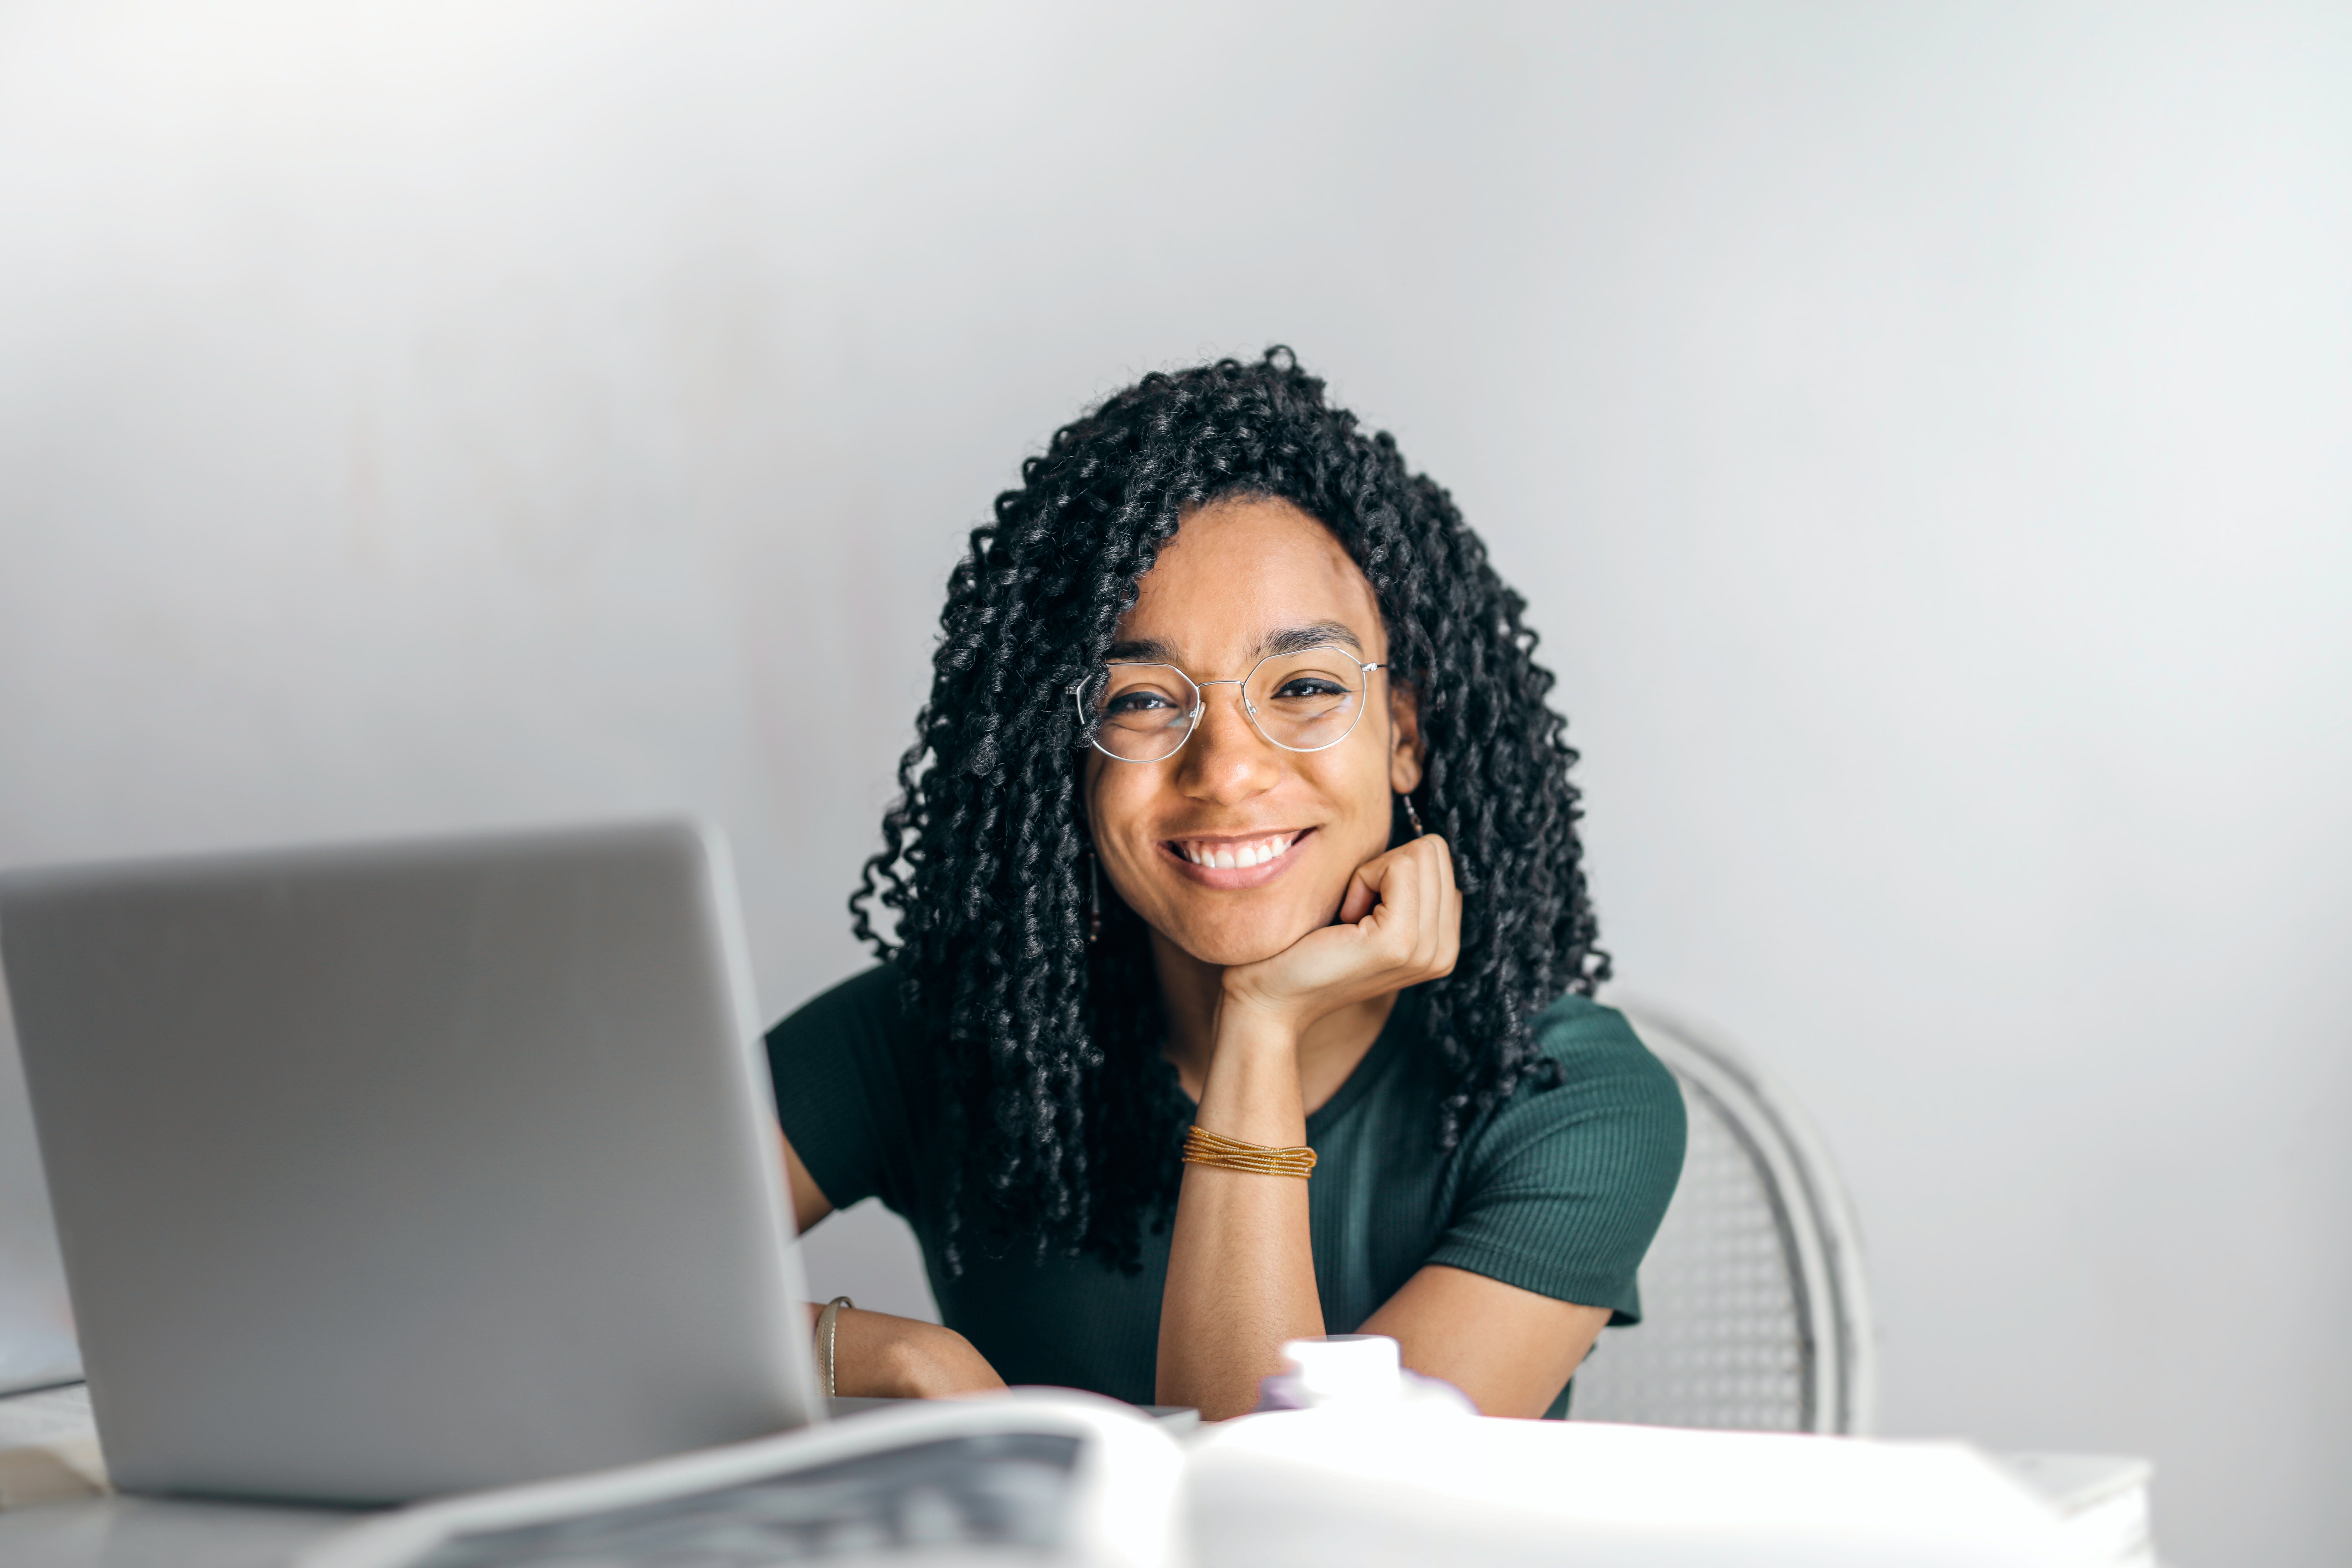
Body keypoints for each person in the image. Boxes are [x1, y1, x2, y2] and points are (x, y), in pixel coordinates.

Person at [768, 349, 1685, 1421]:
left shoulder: (1564, 1097)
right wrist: (887, 1355)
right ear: (1064, 754)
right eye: (1144, 701)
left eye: (1302, 686)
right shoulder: (944, 1030)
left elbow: (1290, 1527)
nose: (1229, 769)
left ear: (1404, 733)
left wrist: (1261, 1023)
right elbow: (548, 1279)